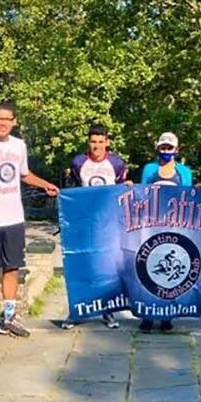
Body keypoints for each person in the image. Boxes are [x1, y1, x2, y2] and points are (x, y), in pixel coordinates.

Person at [0, 101, 59, 341]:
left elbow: (24, 174)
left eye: (8, 119)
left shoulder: (19, 145)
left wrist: (45, 184)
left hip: (13, 217)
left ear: (14, 122)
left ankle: (9, 318)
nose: (3, 123)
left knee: (12, 268)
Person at [62, 124, 130, 329]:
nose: (97, 146)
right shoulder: (78, 162)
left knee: (106, 268)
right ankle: (77, 311)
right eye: (93, 142)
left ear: (107, 142)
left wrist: (128, 186)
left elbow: (122, 189)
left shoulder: (116, 163)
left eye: (101, 142)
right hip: (84, 223)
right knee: (81, 266)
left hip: (108, 224)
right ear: (88, 142)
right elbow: (73, 190)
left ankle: (108, 311)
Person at [139, 132, 193, 333]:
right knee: (149, 269)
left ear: (176, 150)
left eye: (169, 148)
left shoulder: (184, 172)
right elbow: (141, 194)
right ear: (157, 148)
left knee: (171, 273)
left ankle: (167, 317)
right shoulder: (149, 169)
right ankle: (147, 315)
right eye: (163, 147)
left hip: (174, 227)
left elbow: (188, 197)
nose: (166, 151)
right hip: (151, 225)